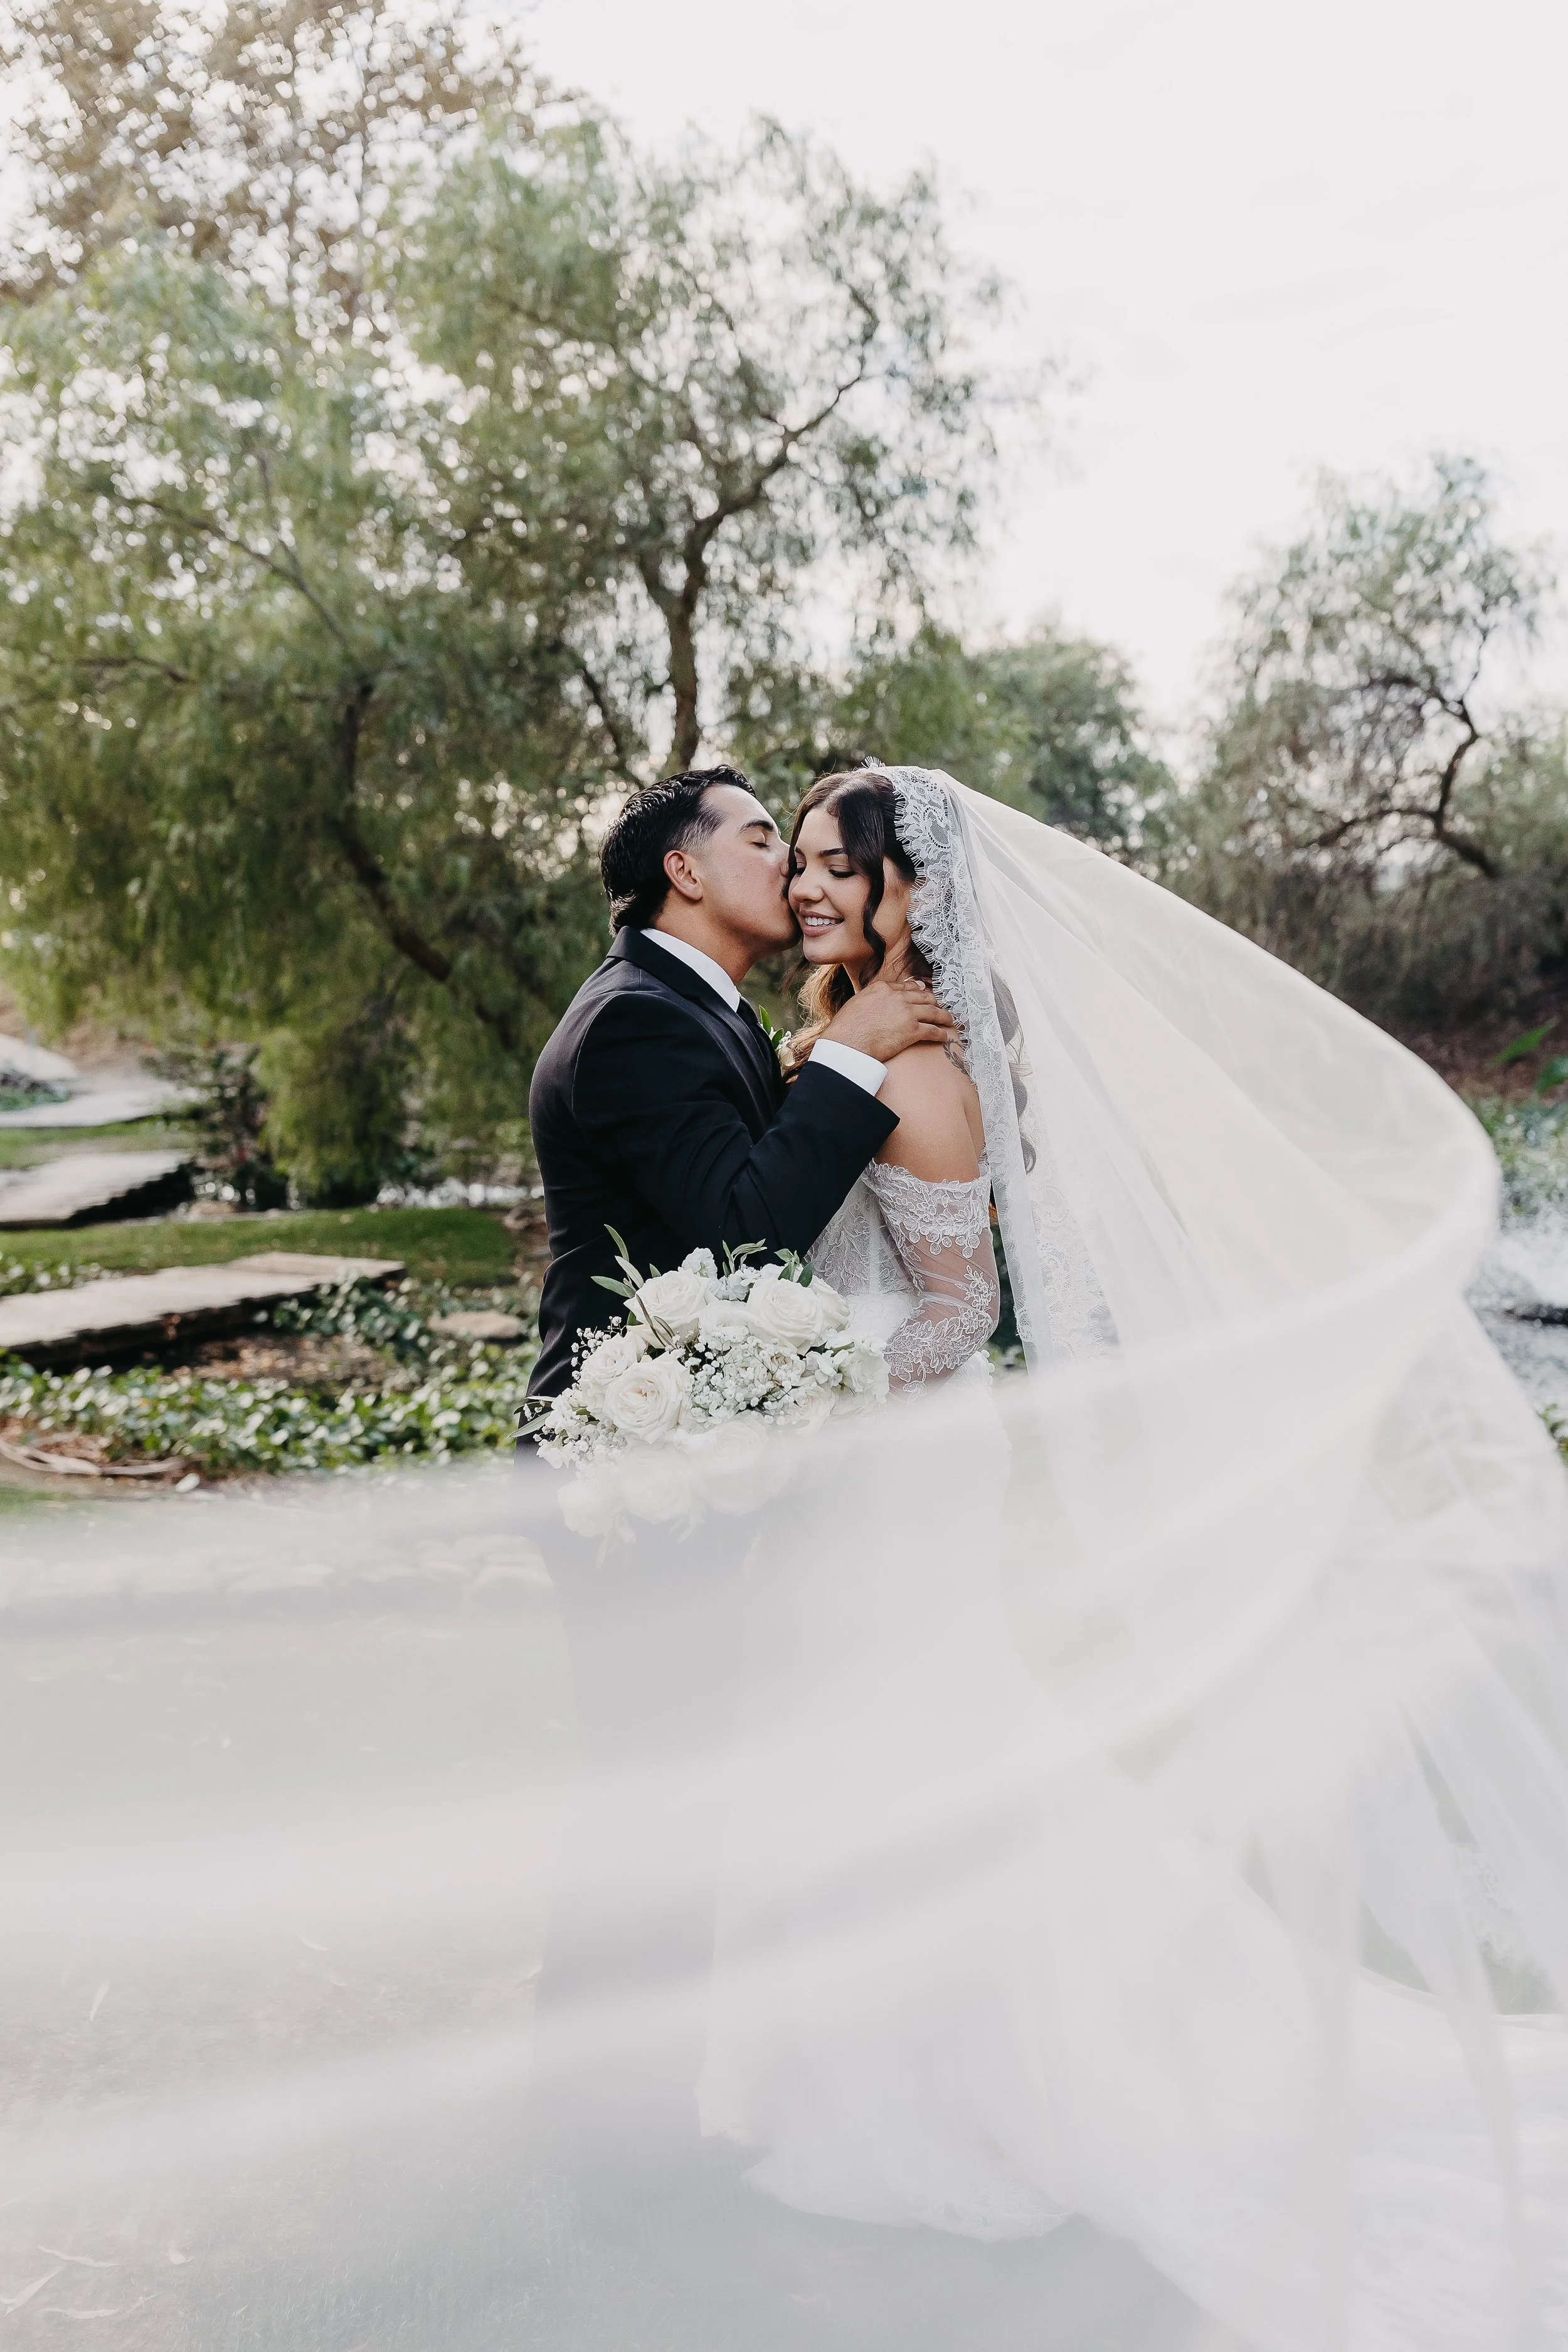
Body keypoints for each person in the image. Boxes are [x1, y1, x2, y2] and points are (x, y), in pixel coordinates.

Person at [524, 764, 960, 1414]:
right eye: (761, 842)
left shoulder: (701, 1011)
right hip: (629, 1449)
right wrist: (847, 1049)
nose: (791, 868)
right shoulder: (633, 1021)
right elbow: (743, 1235)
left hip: (714, 1437)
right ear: (686, 873)